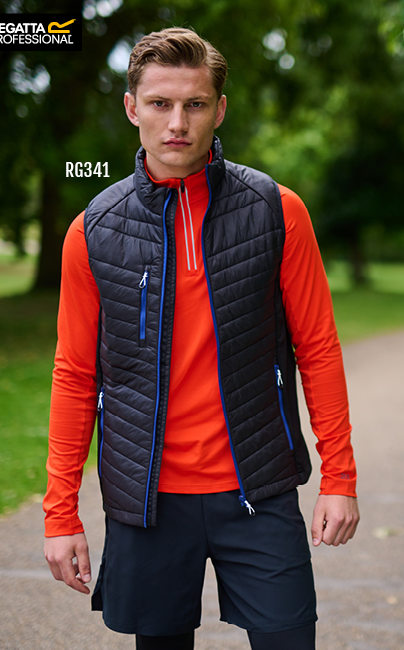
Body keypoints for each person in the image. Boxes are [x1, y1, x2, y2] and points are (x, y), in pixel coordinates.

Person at [43, 27, 359, 650]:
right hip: (149, 502)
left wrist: (339, 479)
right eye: (159, 103)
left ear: (220, 109)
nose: (177, 123)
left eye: (194, 104)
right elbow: (75, 375)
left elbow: (318, 348)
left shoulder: (277, 210)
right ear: (131, 108)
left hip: (258, 487)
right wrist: (60, 514)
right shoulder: (92, 232)